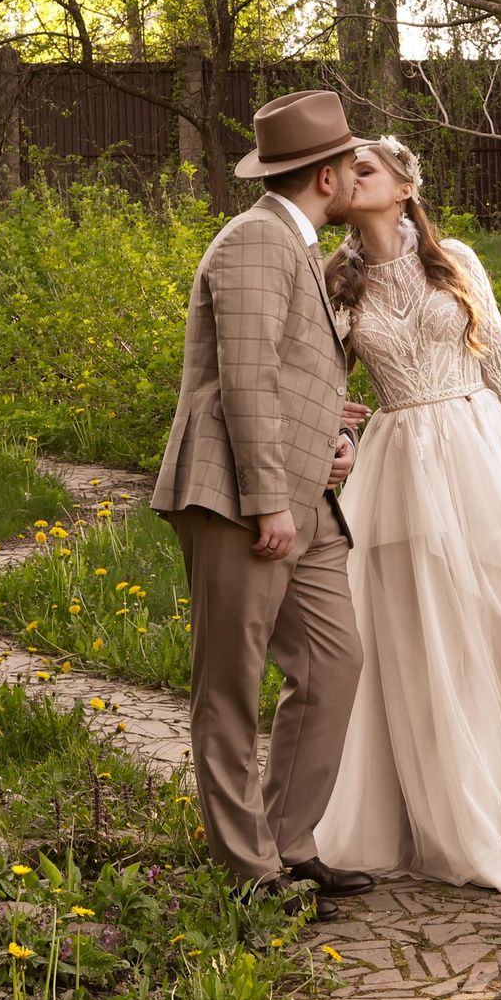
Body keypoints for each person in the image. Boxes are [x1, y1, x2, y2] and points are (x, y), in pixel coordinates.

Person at [312, 136, 501, 892]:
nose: (349, 177)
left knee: (491, 620)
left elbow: (500, 361)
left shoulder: (456, 258)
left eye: (366, 167)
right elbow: (322, 384)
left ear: (404, 187)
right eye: (345, 172)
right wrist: (335, 435)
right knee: (418, 633)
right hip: (398, 459)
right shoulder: (336, 280)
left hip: (478, 453)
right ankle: (448, 814)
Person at [150, 90, 379, 904]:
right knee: (231, 684)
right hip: (243, 502)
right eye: (354, 166)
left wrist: (330, 434)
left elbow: (279, 373)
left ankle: (288, 841)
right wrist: (271, 500)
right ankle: (249, 872)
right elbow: (243, 381)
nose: (360, 176)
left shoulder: (295, 241)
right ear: (326, 176)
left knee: (333, 660)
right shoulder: (254, 240)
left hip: (299, 495)